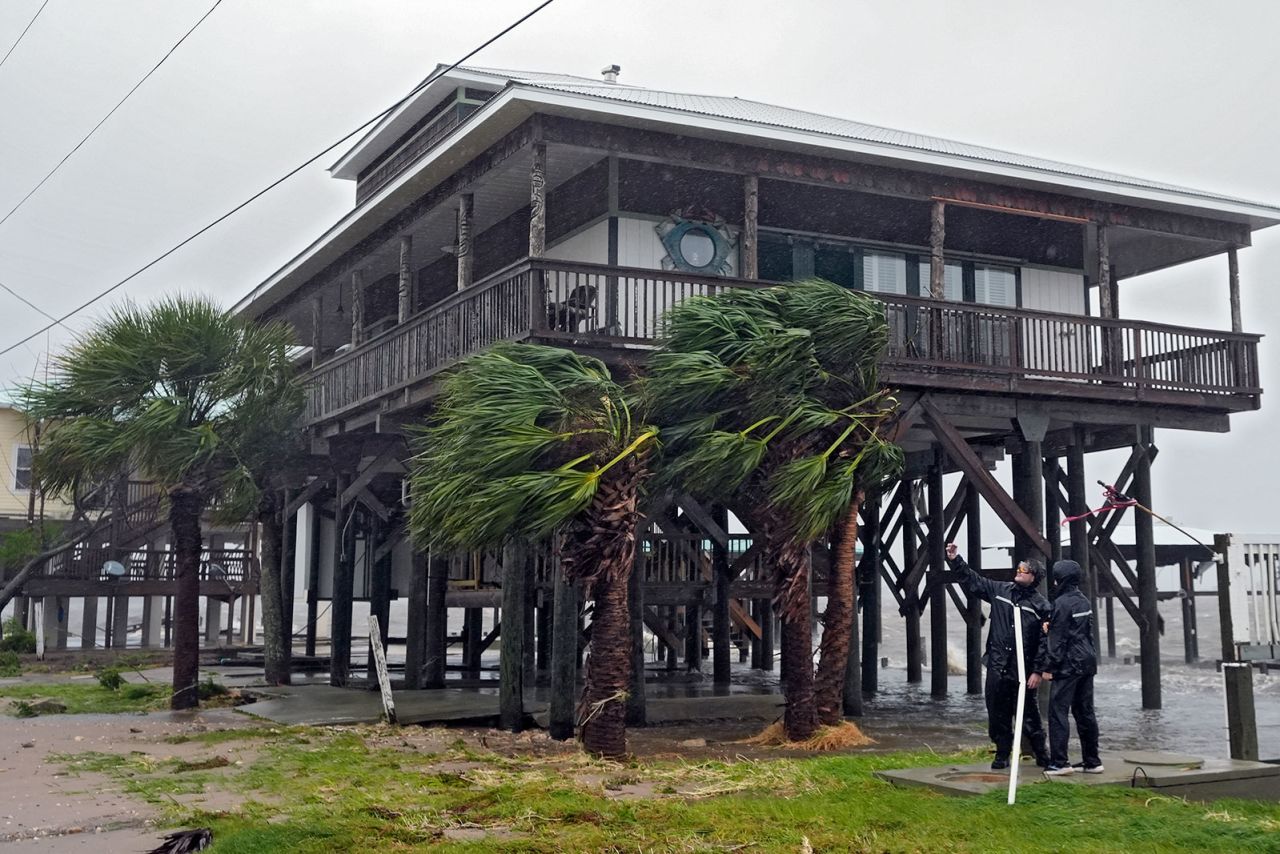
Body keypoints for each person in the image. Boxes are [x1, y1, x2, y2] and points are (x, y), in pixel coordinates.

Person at [945, 542, 1050, 770]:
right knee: (997, 713)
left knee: (1029, 716)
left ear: (1033, 577)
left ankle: (1042, 754)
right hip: (997, 665)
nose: (1017, 572)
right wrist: (955, 559)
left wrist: (1038, 671)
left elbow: (1045, 642)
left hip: (1023, 671)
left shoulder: (1041, 606)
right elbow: (974, 581)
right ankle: (1002, 753)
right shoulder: (1000, 591)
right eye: (1018, 568)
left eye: (1023, 570)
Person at [1036, 559, 1102, 775]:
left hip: (1069, 665)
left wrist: (1048, 667)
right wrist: (1053, 627)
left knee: (1057, 711)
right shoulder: (1083, 600)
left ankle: (1060, 763)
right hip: (1087, 662)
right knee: (1085, 711)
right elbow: (1078, 631)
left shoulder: (1061, 603)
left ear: (1060, 579)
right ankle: (1092, 761)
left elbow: (1058, 640)